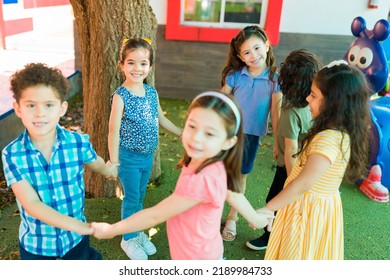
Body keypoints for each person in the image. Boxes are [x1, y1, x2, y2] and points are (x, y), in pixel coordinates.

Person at [92, 91, 272, 260]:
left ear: (228, 142)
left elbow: (155, 215)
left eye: (209, 133)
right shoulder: (214, 162)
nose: (196, 137)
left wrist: (112, 229)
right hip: (209, 252)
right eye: (192, 126)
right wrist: (256, 219)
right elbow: (232, 193)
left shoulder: (200, 180)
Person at [1, 63, 117, 260]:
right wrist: (84, 227)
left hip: (75, 241)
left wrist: (109, 171)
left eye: (49, 105)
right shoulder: (12, 154)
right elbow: (32, 204)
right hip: (37, 245)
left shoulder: (77, 143)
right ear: (18, 109)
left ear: (62, 108)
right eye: (31, 105)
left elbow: (96, 162)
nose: (40, 113)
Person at [260, 61, 371, 260]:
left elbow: (303, 184)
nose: (307, 98)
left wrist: (268, 208)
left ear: (334, 103)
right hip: (317, 207)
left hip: (305, 211)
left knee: (296, 254)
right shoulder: (341, 132)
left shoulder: (327, 139)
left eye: (313, 95)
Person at [108, 38, 182, 260]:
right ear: (121, 64)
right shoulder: (120, 96)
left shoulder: (151, 92)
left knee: (140, 195)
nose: (137, 69)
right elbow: (113, 131)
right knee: (131, 198)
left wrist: (181, 132)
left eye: (143, 63)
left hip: (147, 156)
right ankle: (128, 238)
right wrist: (114, 162)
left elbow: (160, 118)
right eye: (131, 62)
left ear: (149, 66)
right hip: (128, 158)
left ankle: (137, 231)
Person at [246, 49, 322, 250]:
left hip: (290, 170)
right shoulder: (311, 105)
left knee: (274, 201)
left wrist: (292, 181)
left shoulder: (290, 113)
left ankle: (270, 238)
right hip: (306, 167)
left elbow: (291, 151)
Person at [220, 25, 282, 241]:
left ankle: (232, 218)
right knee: (219, 174)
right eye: (246, 52)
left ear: (266, 45)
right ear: (239, 56)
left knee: (240, 177)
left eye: (257, 48)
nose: (253, 55)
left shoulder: (275, 78)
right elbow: (221, 101)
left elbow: (276, 110)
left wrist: (277, 142)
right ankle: (208, 215)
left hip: (250, 137)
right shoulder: (235, 75)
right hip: (227, 134)